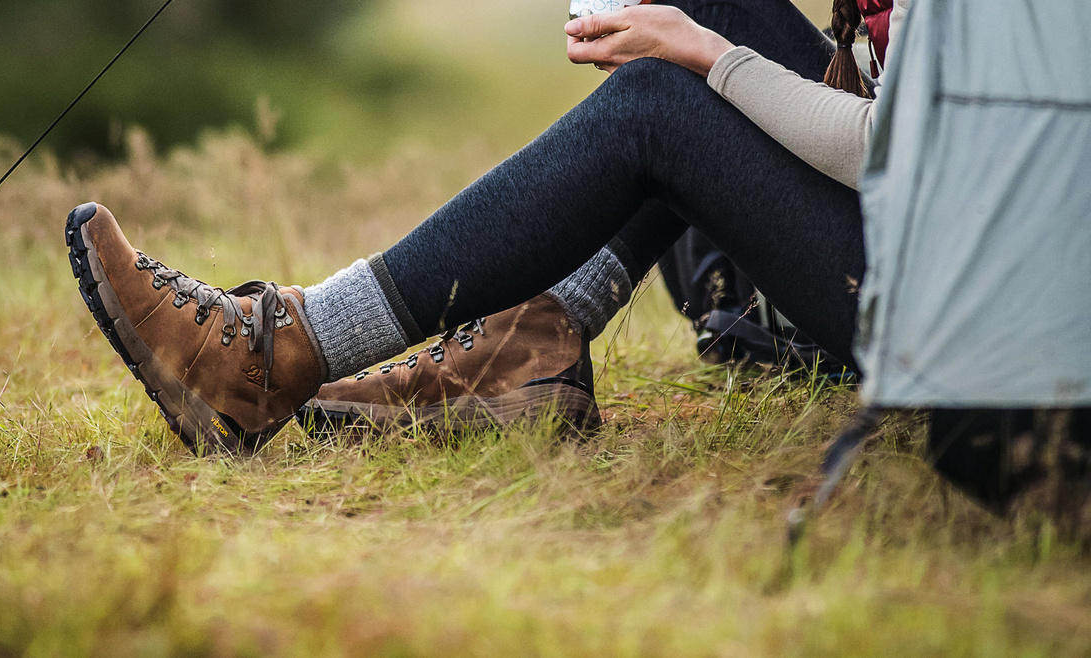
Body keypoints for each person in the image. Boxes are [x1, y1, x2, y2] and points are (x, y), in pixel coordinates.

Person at [65, 0, 904, 453]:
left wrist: (710, 58)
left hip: (928, 300)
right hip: (915, 238)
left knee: (665, 97)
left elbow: (892, 144)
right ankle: (535, 338)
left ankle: (271, 352)